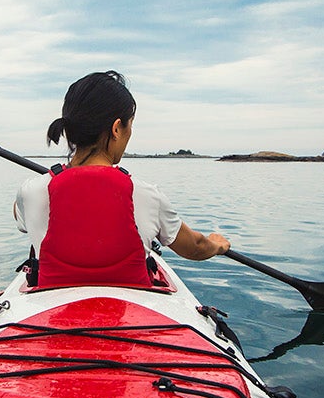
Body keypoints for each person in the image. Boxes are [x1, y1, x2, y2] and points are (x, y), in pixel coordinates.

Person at [14, 71, 230, 288]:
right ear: (117, 128)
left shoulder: (31, 191)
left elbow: (18, 213)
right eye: (130, 124)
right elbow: (194, 247)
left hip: (53, 310)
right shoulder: (146, 194)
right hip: (130, 313)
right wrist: (217, 245)